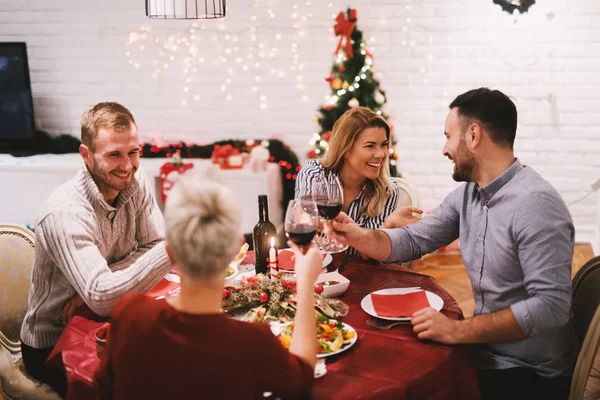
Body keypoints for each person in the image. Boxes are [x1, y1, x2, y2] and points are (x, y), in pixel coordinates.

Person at [327, 88, 578, 400]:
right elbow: (412, 239)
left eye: (449, 136)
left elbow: (550, 308)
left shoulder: (536, 204)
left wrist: (459, 330)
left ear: (473, 135)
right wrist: (358, 236)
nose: (445, 149)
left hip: (527, 374)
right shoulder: (469, 195)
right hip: (486, 353)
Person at [94, 170, 322, 399]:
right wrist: (305, 285)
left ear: (169, 250)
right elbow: (300, 380)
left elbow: (102, 388)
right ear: (236, 249)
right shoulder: (253, 343)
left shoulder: (130, 313)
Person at [20, 102, 172, 396]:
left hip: (104, 318)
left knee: (173, 364)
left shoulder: (135, 182)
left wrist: (97, 288)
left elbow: (153, 244)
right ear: (86, 156)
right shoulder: (64, 211)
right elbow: (104, 297)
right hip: (53, 341)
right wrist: (173, 250)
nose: (127, 166)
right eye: (114, 154)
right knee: (140, 385)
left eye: (133, 152)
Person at [295, 106, 421, 256]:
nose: (381, 154)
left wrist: (388, 225)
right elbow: (302, 220)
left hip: (361, 275)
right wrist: (313, 221)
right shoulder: (315, 175)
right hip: (317, 271)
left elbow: (368, 257)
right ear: (346, 150)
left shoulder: (388, 192)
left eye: (384, 145)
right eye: (370, 146)